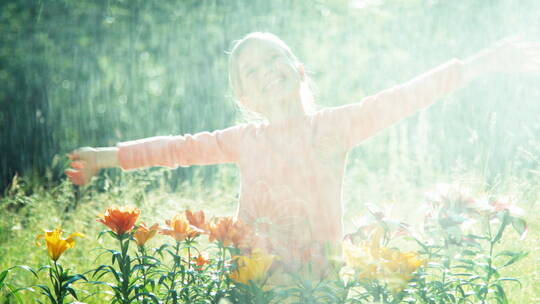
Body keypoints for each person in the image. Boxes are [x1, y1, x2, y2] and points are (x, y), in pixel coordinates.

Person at [66, 32, 540, 274]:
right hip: (252, 284)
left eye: (274, 58)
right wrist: (103, 157)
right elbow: (174, 150)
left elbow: (406, 96)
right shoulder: (243, 140)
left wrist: (480, 64)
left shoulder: (333, 128)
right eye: (252, 70)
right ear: (245, 98)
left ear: (298, 68)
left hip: (319, 287)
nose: (267, 70)